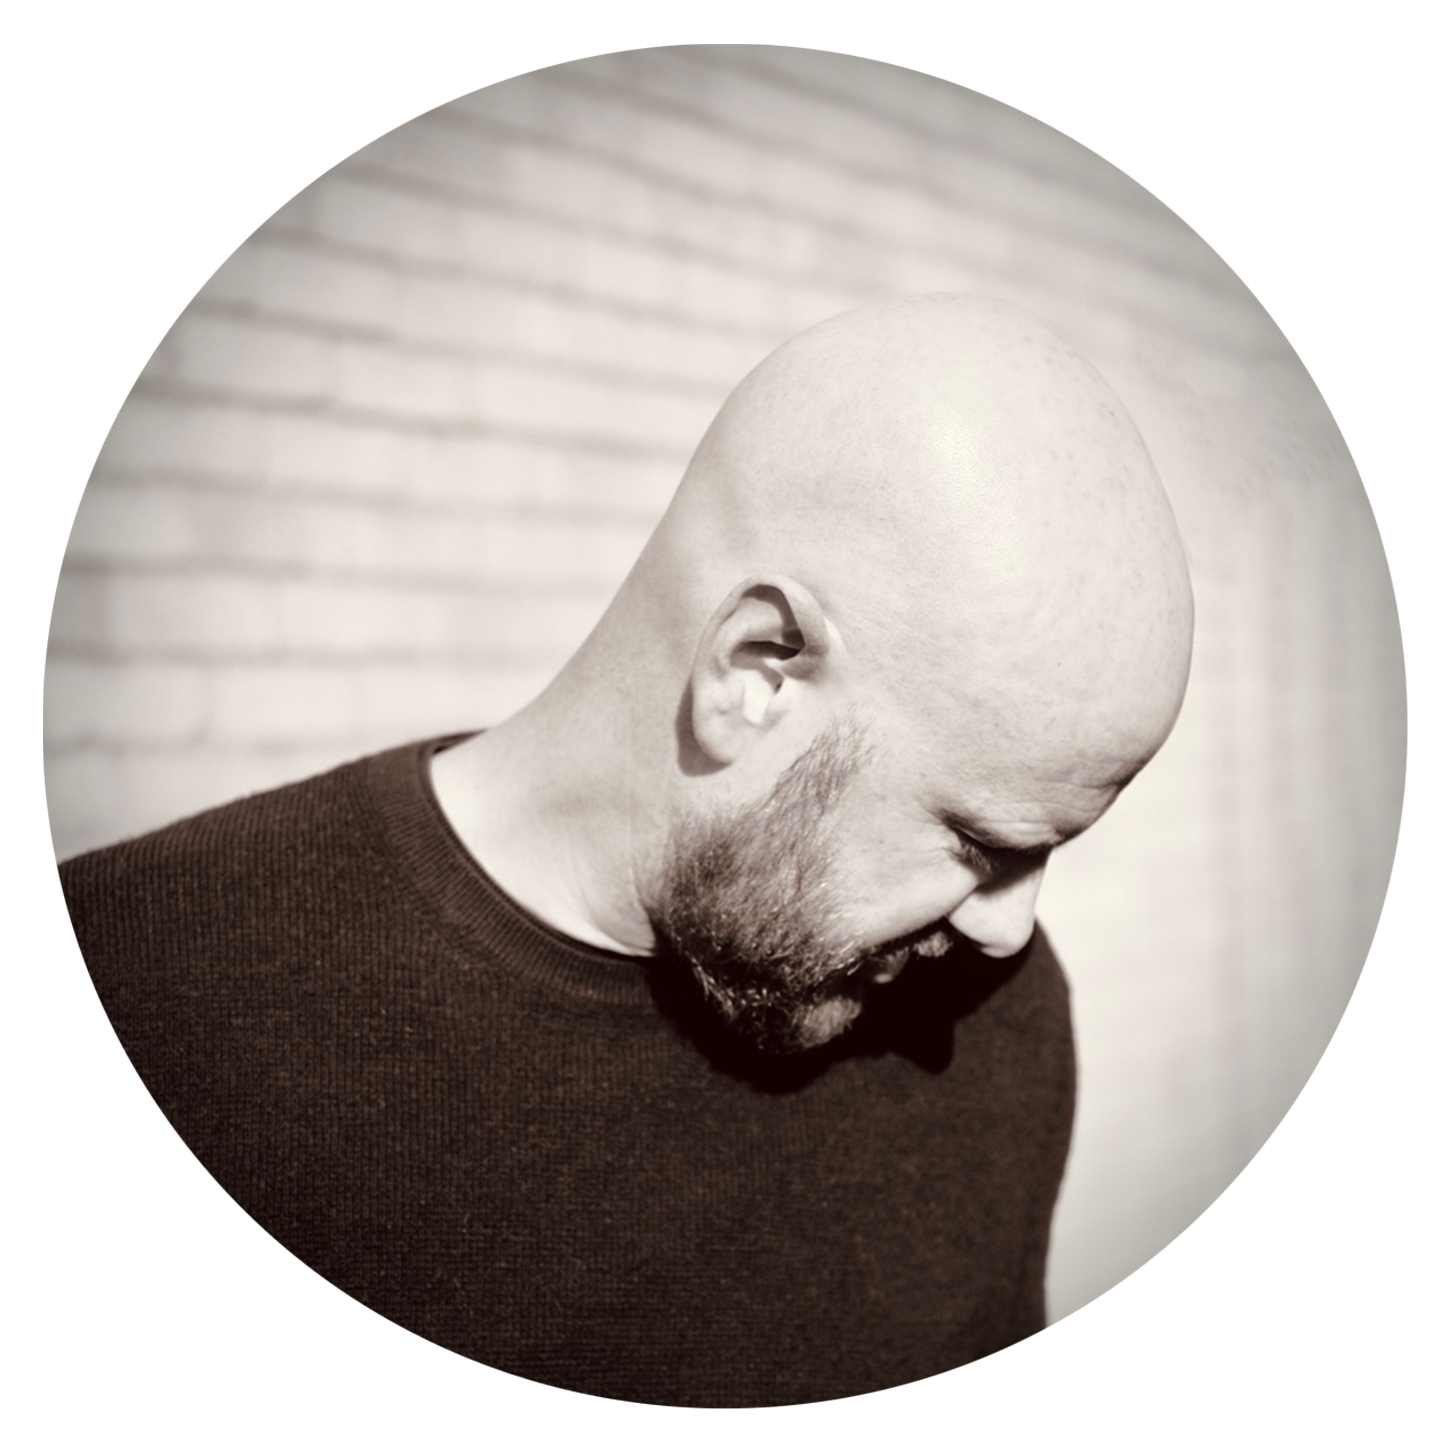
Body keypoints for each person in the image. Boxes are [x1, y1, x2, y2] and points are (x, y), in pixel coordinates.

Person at [44, 295, 1194, 1407]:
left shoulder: (995, 1026)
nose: (1007, 927)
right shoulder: (92, 1024)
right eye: (979, 842)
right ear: (755, 672)